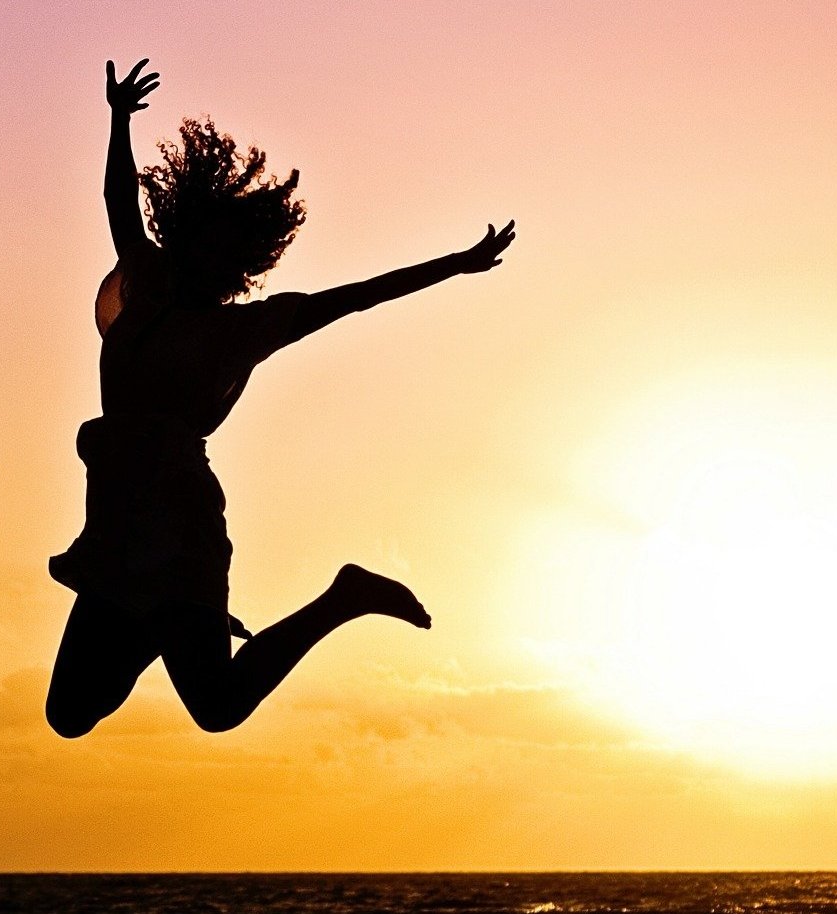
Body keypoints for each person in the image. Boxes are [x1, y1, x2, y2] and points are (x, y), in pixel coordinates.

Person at [44, 60, 516, 736]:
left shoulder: (245, 329)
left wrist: (457, 264)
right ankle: (163, 624)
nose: (216, 261)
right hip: (117, 519)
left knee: (217, 706)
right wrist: (119, 117)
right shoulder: (145, 283)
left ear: (243, 264)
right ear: (188, 229)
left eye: (231, 254)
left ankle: (343, 598)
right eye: (210, 242)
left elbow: (358, 298)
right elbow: (118, 201)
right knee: (69, 713)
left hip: (178, 523)